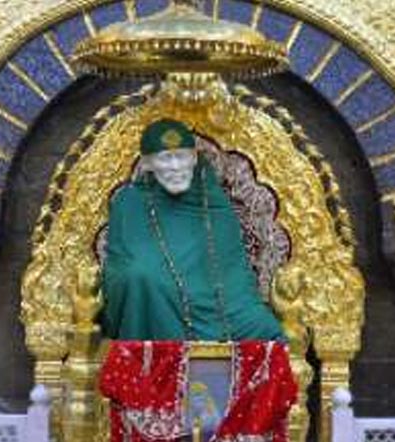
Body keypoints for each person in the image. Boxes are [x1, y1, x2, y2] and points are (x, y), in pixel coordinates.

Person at [100, 118, 285, 341]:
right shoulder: (129, 202)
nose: (175, 167)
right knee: (140, 276)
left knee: (263, 327)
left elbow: (234, 270)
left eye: (181, 156)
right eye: (165, 158)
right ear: (147, 163)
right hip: (155, 302)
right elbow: (119, 268)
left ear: (194, 158)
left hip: (222, 305)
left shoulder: (213, 202)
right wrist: (152, 278)